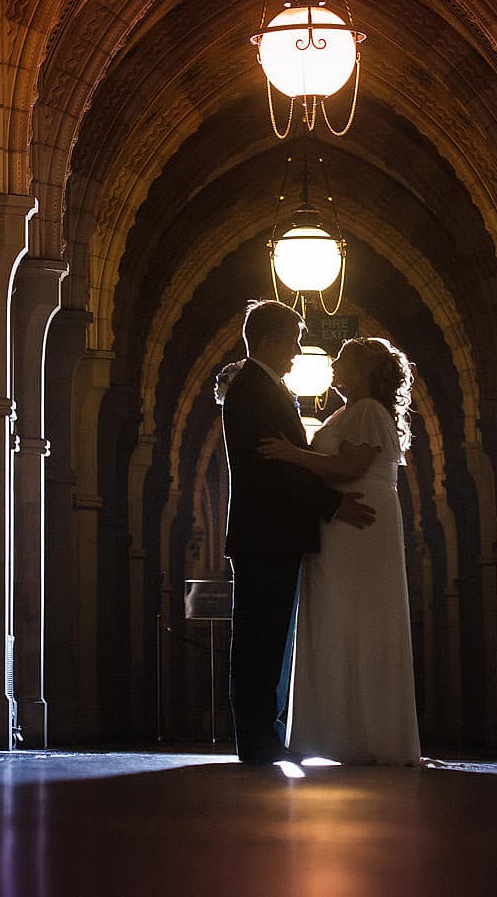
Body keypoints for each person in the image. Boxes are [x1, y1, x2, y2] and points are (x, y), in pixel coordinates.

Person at [215, 300, 377, 765]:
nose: (297, 351)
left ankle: (263, 734)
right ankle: (257, 738)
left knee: (267, 636)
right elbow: (274, 469)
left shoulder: (262, 388)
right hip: (266, 534)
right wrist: (335, 504)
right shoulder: (254, 390)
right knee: (260, 638)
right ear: (268, 340)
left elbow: (285, 461)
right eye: (293, 340)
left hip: (270, 533)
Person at [258, 336, 422, 765]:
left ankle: (360, 733)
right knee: (342, 615)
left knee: (358, 614)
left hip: (358, 522)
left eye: (344, 359)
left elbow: (350, 468)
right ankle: (346, 731)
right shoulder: (351, 411)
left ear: (366, 369)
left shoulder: (367, 411)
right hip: (344, 522)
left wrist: (291, 454)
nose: (335, 366)